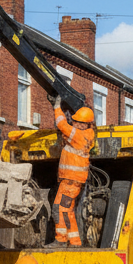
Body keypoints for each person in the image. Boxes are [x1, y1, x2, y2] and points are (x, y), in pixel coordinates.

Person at [51, 95, 97, 247]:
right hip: (74, 181)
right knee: (68, 211)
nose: (74, 122)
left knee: (59, 209)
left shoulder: (77, 135)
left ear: (84, 124)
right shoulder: (88, 135)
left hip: (70, 181)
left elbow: (61, 124)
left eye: (76, 121)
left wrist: (57, 107)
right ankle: (75, 241)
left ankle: (60, 240)